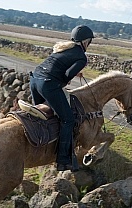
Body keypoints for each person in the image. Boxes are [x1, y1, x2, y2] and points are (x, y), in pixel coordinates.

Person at [29, 25, 95, 171]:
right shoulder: (81, 56)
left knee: (43, 117)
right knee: (68, 119)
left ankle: (41, 145)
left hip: (34, 80)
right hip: (47, 85)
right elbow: (66, 76)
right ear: (86, 42)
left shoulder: (63, 48)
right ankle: (63, 160)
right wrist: (71, 76)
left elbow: (57, 67)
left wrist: (71, 74)